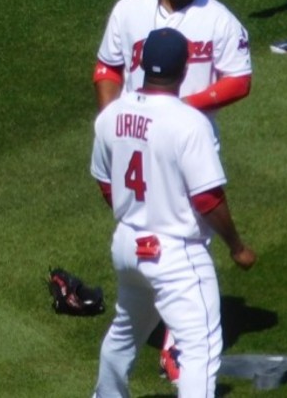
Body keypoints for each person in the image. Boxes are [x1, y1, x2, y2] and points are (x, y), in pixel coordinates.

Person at [91, 28, 256, 398]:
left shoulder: (111, 115)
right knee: (200, 347)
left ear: (141, 65)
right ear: (184, 70)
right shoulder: (188, 123)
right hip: (175, 254)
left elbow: (105, 183)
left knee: (125, 331)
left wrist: (136, 217)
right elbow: (208, 199)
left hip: (127, 245)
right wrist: (236, 245)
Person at [94, 0, 252, 115]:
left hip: (190, 133)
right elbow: (108, 67)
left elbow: (240, 81)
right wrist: (108, 119)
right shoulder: (127, 9)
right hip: (134, 132)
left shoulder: (221, 20)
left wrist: (183, 106)